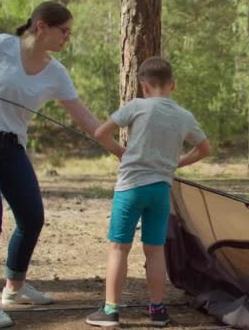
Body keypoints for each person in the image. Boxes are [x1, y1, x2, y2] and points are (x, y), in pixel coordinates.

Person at [0, 1, 124, 328]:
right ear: (41, 26)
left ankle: (13, 287)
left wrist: (122, 152)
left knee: (32, 217)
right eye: (63, 31)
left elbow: (85, 119)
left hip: (11, 146)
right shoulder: (0, 46)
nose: (67, 38)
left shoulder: (56, 73)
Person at [85, 56, 211, 328]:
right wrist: (177, 162)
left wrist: (122, 152)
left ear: (144, 86)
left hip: (130, 188)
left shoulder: (137, 107)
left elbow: (99, 133)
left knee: (119, 248)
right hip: (160, 191)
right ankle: (157, 311)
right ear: (172, 85)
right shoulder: (184, 116)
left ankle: (110, 311)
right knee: (155, 251)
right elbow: (204, 149)